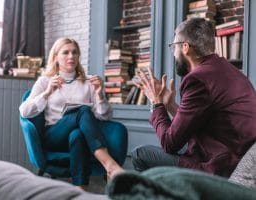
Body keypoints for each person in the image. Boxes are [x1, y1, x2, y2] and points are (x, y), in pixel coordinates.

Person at [131, 18, 256, 177]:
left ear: (185, 47)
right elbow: (193, 124)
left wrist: (156, 104)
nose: (173, 53)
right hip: (231, 154)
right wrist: (169, 105)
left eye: (173, 46)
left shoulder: (197, 80)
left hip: (218, 167)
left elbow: (170, 143)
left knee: (140, 154)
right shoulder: (230, 71)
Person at [19, 37, 123, 188]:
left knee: (77, 135)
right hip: (54, 136)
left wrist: (100, 94)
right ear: (55, 57)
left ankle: (79, 191)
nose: (71, 56)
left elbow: (104, 116)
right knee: (83, 110)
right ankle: (109, 164)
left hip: (78, 136)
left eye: (75, 52)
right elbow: (24, 111)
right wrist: (47, 93)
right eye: (65, 52)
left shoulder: (88, 81)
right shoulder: (45, 81)